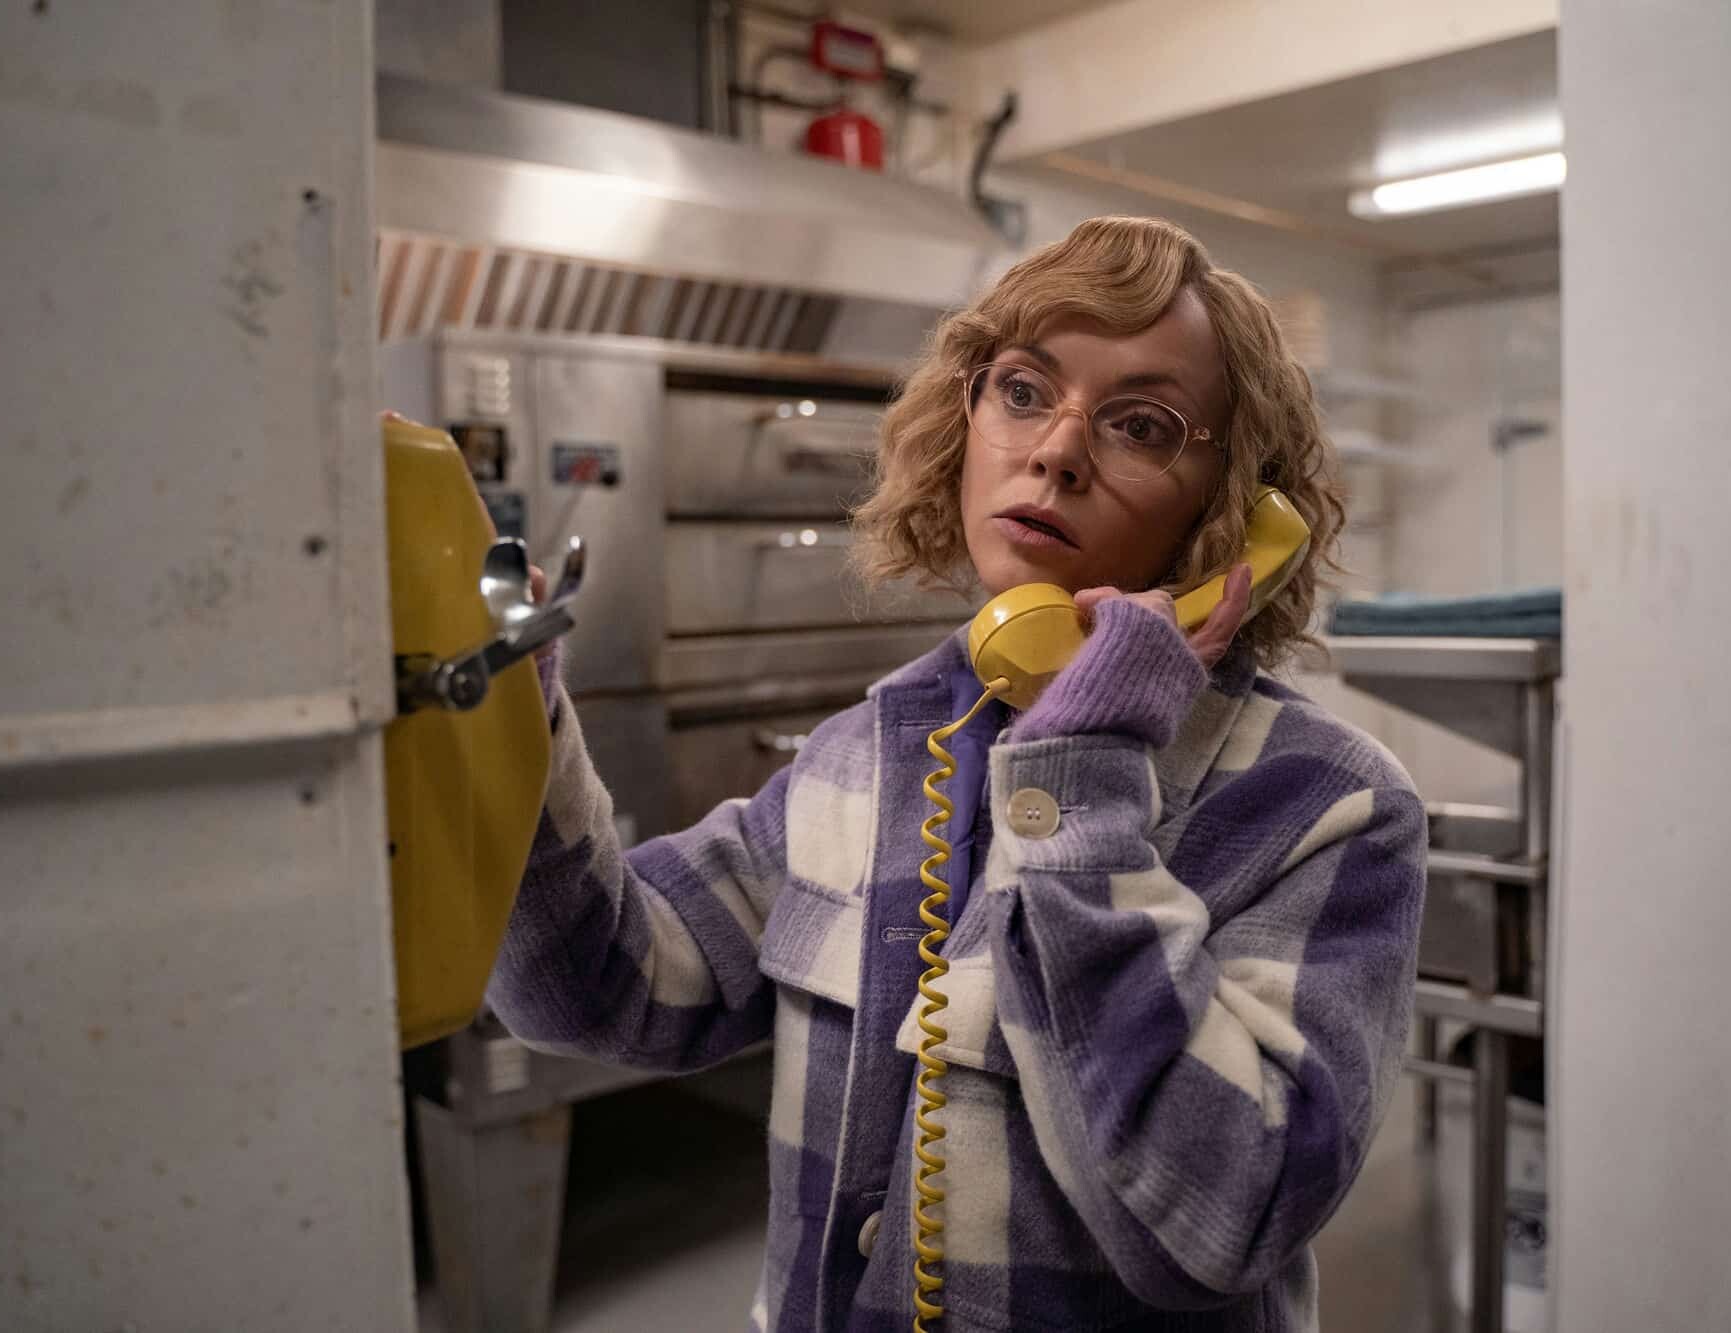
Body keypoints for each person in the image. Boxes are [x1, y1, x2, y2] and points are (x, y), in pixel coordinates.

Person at [487, 216, 1428, 1331]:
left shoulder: (1329, 807)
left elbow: (1222, 1218)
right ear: (963, 423)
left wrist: (1077, 786)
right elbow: (593, 990)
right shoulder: (864, 753)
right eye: (1023, 390)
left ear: (1231, 511)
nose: (1057, 451)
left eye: (1140, 424)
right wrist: (510, 711)